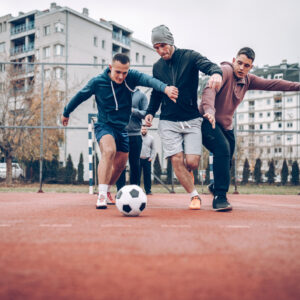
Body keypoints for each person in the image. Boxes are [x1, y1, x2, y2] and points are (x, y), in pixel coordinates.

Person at [61, 53, 178, 209]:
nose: (121, 76)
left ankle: (107, 189)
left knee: (121, 165)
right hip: (105, 125)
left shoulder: (131, 77)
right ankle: (101, 196)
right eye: (118, 72)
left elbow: (149, 80)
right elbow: (80, 96)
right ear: (110, 68)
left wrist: (165, 88)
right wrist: (66, 112)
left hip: (122, 128)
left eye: (125, 72)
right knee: (109, 151)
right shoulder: (98, 82)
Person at [199, 47, 300, 211]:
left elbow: (273, 84)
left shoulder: (248, 80)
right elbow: (209, 90)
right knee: (222, 149)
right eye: (239, 63)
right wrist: (209, 110)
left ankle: (216, 186)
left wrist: (297, 86)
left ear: (250, 67)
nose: (241, 68)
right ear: (233, 61)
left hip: (225, 126)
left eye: (246, 65)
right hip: (206, 120)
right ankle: (220, 198)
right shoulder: (224, 71)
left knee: (227, 159)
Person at [145, 25, 223, 210]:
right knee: (176, 160)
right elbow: (156, 93)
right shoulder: (157, 67)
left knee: (192, 162)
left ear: (170, 41)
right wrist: (150, 112)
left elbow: (210, 66)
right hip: (168, 121)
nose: (160, 51)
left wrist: (216, 74)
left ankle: (188, 175)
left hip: (191, 119)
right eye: (156, 48)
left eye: (162, 45)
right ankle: (194, 196)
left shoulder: (190, 56)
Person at [116, 89, 148, 191]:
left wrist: (133, 111)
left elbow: (145, 113)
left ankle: (135, 190)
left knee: (135, 164)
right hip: (120, 134)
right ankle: (120, 190)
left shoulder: (141, 95)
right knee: (120, 164)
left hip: (135, 135)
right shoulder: (118, 92)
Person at [140, 125, 155, 195]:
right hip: (138, 159)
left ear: (147, 130)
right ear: (140, 130)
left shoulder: (151, 138)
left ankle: (148, 190)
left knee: (147, 176)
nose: (143, 130)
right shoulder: (137, 137)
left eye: (145, 129)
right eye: (142, 129)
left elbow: (153, 149)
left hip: (147, 159)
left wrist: (151, 157)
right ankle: (137, 190)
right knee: (137, 175)